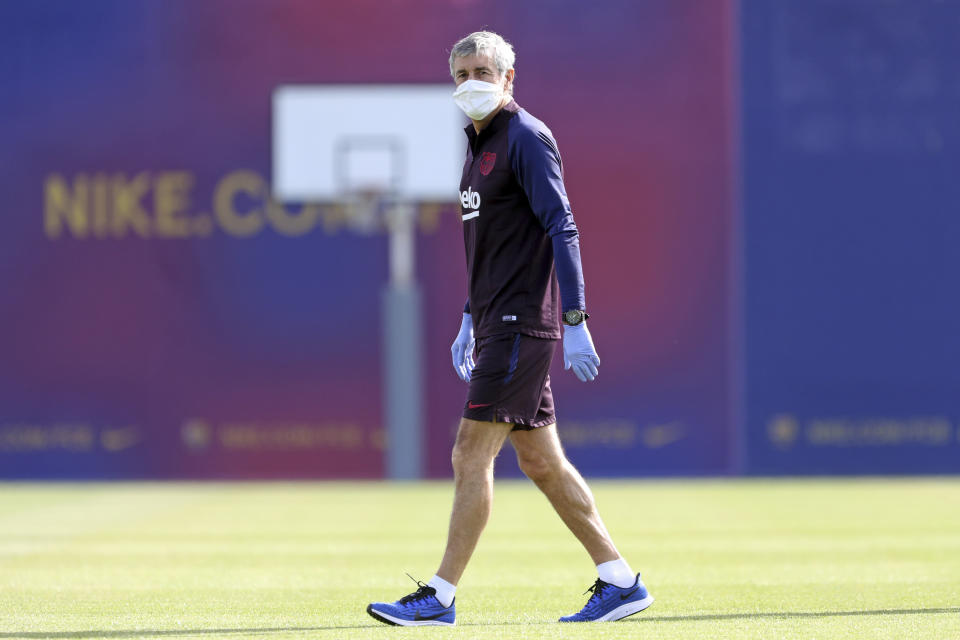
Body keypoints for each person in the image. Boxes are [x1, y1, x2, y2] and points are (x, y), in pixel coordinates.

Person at [366, 31, 652, 626]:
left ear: (508, 78)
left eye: (482, 71)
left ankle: (439, 597)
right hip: (498, 320)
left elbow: (562, 227)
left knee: (469, 455)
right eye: (461, 72)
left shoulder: (526, 136)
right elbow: (491, 246)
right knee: (542, 463)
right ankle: (620, 580)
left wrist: (575, 319)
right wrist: (471, 315)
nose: (471, 82)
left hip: (524, 322)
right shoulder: (477, 148)